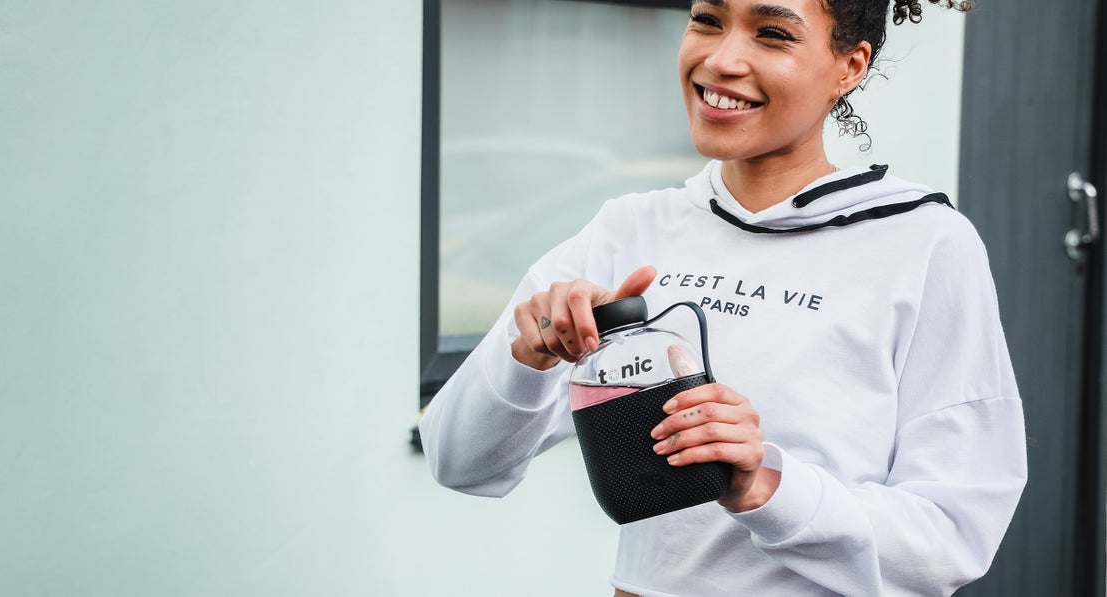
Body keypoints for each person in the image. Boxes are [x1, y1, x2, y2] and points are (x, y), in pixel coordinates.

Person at [420, 0, 1027, 595]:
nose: (723, 59)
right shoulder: (627, 231)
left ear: (850, 65)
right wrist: (528, 358)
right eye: (707, 21)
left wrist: (766, 488)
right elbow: (459, 461)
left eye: (772, 33)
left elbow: (952, 537)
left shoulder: (923, 243)